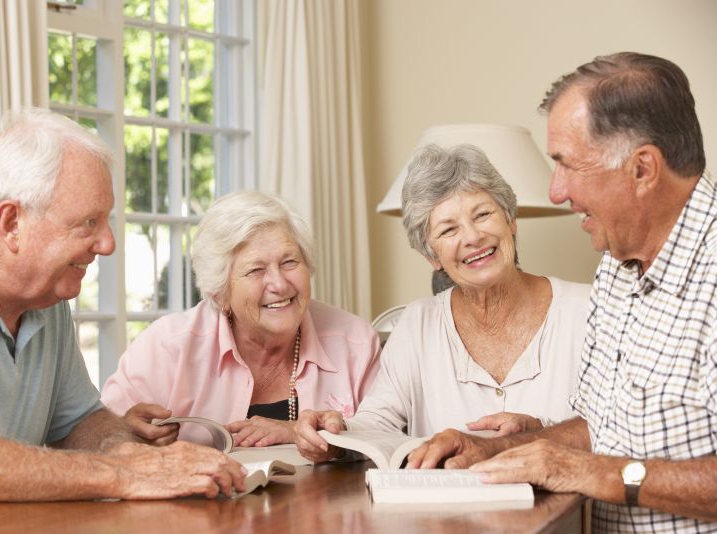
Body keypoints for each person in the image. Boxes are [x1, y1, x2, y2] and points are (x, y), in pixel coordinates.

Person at [403, 52, 717, 531]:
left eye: (567, 164)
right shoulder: (615, 265)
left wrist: (594, 473)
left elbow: (596, 465)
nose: (555, 191)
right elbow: (601, 426)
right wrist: (500, 448)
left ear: (643, 168)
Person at [0, 109, 245, 501]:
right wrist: (121, 473)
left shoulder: (45, 297)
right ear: (11, 223)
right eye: (88, 223)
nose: (108, 244)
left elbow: (79, 423)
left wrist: (126, 449)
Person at [294, 143, 591, 461]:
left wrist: (537, 431)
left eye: (483, 214)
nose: (473, 237)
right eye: (449, 229)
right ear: (431, 255)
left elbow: (620, 427)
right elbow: (377, 424)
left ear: (511, 220)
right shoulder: (417, 323)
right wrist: (333, 434)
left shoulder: (588, 310)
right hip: (446, 511)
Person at [100, 191, 381, 448]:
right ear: (220, 293)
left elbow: (387, 439)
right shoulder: (167, 348)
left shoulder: (354, 342)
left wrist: (297, 431)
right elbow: (99, 438)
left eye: (289, 262)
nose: (279, 284)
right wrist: (127, 432)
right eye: (256, 270)